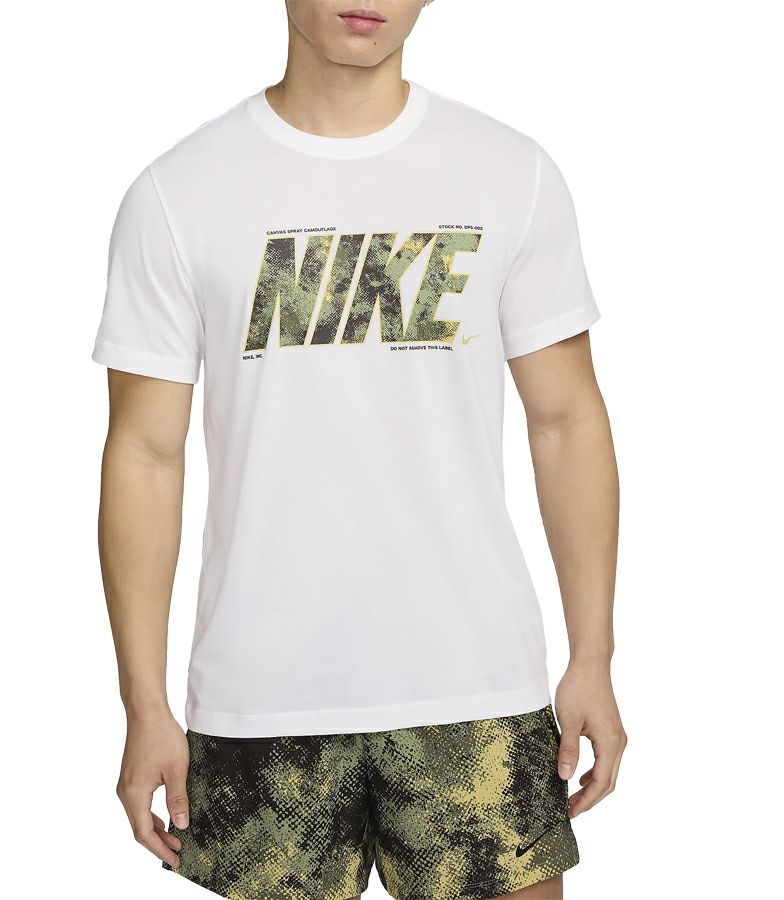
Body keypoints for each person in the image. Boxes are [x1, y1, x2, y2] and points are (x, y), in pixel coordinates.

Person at [93, 2, 625, 897]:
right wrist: (143, 702)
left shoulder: (511, 173)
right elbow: (145, 453)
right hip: (263, 698)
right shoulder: (178, 193)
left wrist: (594, 657)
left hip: (475, 687)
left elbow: (566, 420)